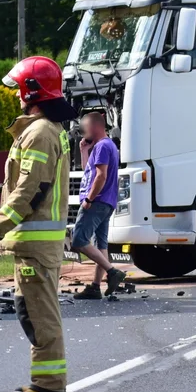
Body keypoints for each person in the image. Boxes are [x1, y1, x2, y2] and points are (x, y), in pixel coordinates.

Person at [0, 56, 78, 392]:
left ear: (30, 90)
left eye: (18, 89)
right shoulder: (49, 130)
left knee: (39, 314)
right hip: (37, 243)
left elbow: (29, 189)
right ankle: (48, 379)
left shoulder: (37, 132)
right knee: (33, 311)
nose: (15, 96)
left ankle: (49, 383)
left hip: (34, 243)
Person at [73, 112, 127, 300]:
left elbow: (101, 176)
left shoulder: (103, 146)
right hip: (106, 202)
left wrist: (89, 199)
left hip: (96, 201)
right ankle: (95, 287)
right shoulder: (104, 146)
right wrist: (84, 151)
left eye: (85, 126)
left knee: (79, 240)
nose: (82, 131)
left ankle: (112, 272)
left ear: (96, 126)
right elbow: (88, 170)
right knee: (100, 244)